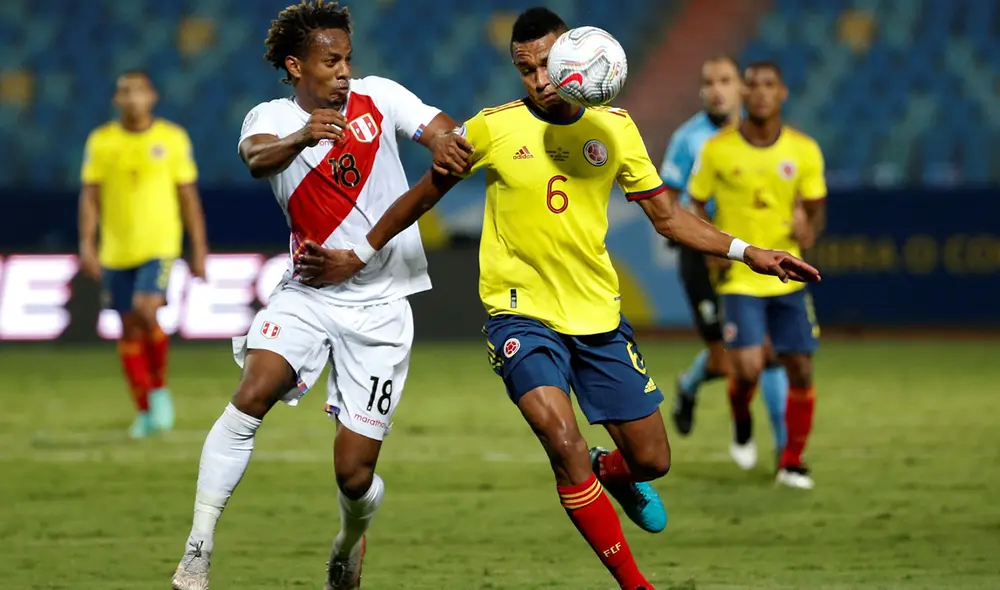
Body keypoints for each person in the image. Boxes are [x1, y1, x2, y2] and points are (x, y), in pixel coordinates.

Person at [294, 9, 820, 588]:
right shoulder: (492, 128)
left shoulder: (614, 129)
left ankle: (611, 472)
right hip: (518, 313)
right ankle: (636, 583)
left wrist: (750, 252)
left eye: (546, 64)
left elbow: (668, 218)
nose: (539, 79)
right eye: (526, 69)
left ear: (574, 56)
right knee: (562, 440)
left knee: (652, 461)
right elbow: (421, 197)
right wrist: (361, 252)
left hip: (597, 315)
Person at [169, 2, 473, 589]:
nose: (343, 71)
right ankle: (197, 553)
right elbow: (256, 159)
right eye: (330, 61)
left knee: (353, 475)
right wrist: (300, 135)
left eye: (347, 59)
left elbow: (444, 131)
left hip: (382, 308)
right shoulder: (270, 115)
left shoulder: (378, 97)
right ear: (295, 66)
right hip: (307, 294)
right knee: (252, 394)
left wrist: (446, 144)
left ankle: (348, 545)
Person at [687, 61, 826, 490]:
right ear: (744, 95)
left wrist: (809, 229)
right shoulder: (717, 149)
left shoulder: (804, 150)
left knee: (799, 367)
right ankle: (742, 419)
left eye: (770, 85)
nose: (762, 93)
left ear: (783, 93)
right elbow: (696, 202)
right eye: (754, 86)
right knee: (746, 367)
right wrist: (712, 247)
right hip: (742, 276)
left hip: (789, 275)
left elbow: (816, 208)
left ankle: (792, 461)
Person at [660, 57, 789, 470]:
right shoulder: (688, 139)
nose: (717, 89)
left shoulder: (759, 137)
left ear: (742, 89)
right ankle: (689, 386)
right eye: (708, 81)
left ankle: (784, 451)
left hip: (749, 252)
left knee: (766, 350)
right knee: (724, 359)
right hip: (702, 255)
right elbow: (667, 199)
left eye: (725, 80)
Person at [78, 70, 208, 439]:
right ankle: (144, 409)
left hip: (159, 246)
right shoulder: (102, 141)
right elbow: (90, 196)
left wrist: (198, 248)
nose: (132, 98)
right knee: (129, 327)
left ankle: (159, 391)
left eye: (138, 91)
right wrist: (87, 243)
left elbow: (188, 197)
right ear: (117, 100)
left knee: (146, 309)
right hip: (116, 250)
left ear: (152, 97)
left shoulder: (172, 138)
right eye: (124, 92)